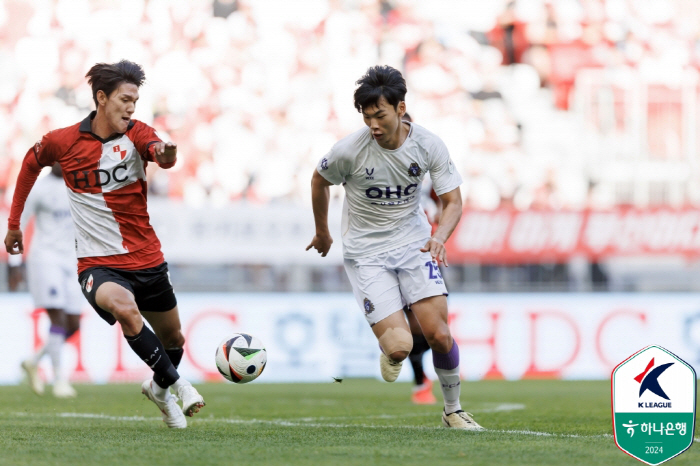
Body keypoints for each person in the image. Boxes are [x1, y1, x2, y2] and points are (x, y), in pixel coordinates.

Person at [4, 60, 204, 429]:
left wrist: (166, 155)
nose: (131, 107)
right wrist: (14, 225)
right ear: (101, 98)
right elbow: (29, 165)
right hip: (97, 264)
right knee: (125, 309)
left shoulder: (137, 133)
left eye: (136, 101)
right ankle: (181, 386)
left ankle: (159, 391)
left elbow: (159, 150)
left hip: (147, 258)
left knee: (174, 340)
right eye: (125, 99)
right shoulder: (62, 141)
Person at [307, 65, 482, 430]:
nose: (372, 124)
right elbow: (318, 181)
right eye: (366, 116)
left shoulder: (428, 144)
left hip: (414, 244)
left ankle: (453, 410)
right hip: (366, 255)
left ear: (401, 109)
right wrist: (322, 231)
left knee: (439, 334)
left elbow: (453, 202)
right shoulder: (349, 150)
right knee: (401, 345)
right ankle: (392, 350)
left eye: (379, 115)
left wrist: (439, 236)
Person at [10, 163, 82, 398]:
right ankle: (59, 380)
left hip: (71, 260)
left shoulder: (79, 186)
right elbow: (17, 222)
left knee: (73, 324)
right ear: (51, 161)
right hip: (45, 258)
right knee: (58, 315)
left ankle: (34, 361)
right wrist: (14, 264)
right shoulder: (38, 189)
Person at [401, 112, 436, 406]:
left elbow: (449, 202)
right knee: (408, 326)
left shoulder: (428, 164)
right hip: (392, 258)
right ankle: (419, 382)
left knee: (432, 326)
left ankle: (421, 378)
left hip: (423, 258)